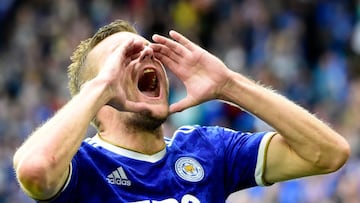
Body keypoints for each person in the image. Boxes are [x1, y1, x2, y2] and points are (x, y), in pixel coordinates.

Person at [13, 19, 350, 203]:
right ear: (97, 99)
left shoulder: (208, 149)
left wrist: (229, 84)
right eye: (125, 57)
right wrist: (100, 86)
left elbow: (327, 153)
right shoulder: (83, 167)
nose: (146, 56)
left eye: (149, 51)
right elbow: (34, 172)